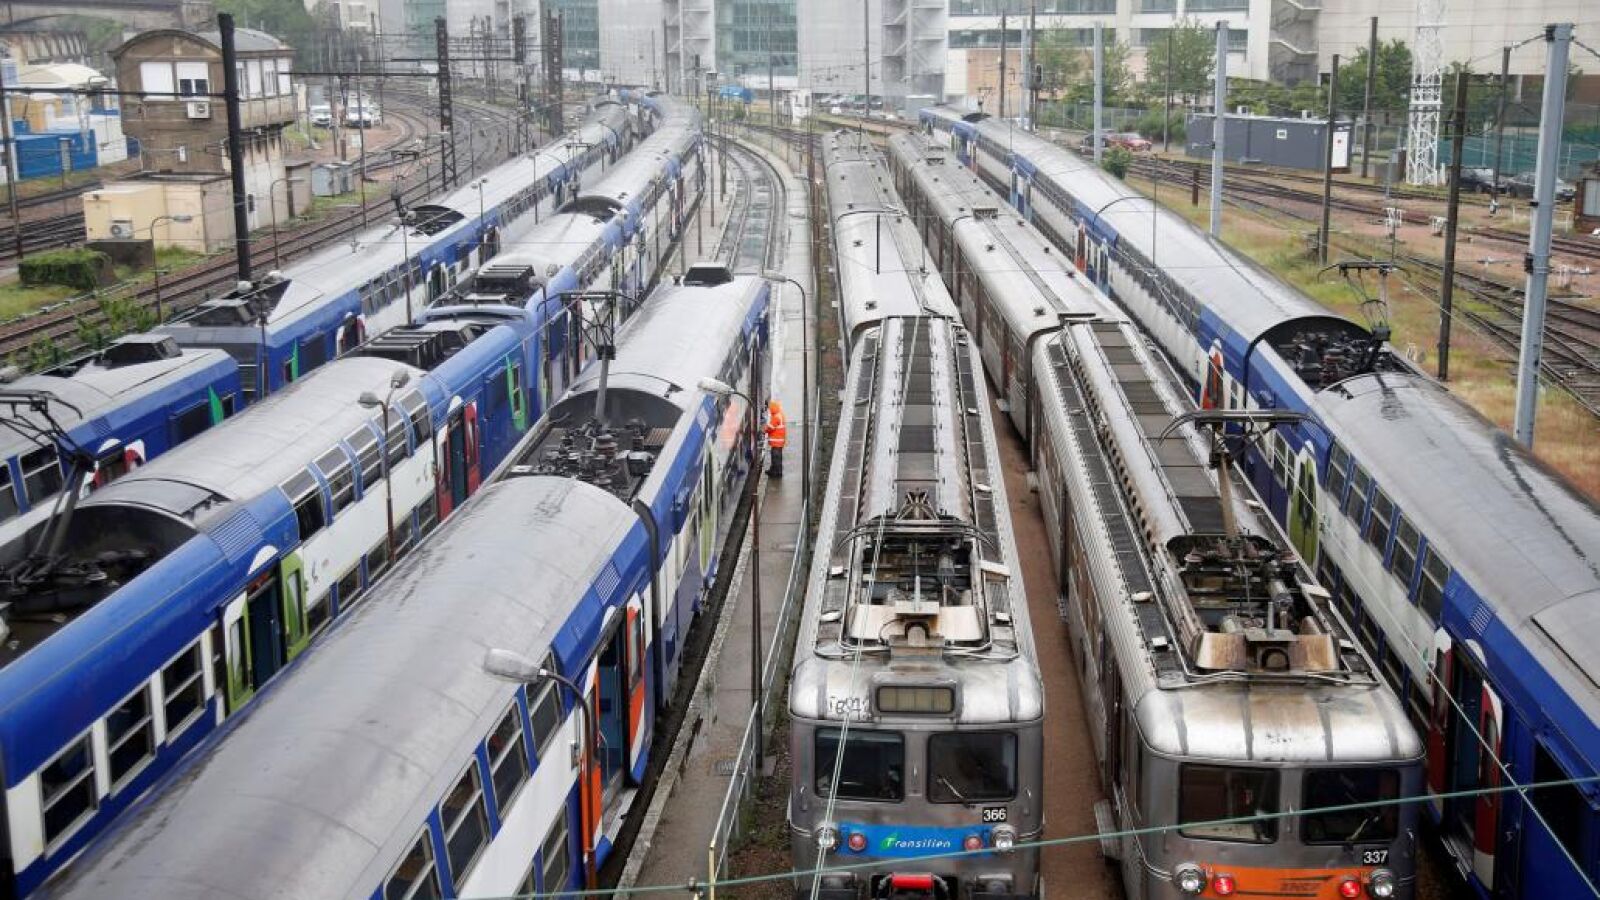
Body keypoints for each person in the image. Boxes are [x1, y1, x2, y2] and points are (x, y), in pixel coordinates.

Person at [765, 399, 786, 477]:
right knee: (778, 457)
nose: (769, 410)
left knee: (775, 458)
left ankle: (775, 472)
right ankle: (776, 471)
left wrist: (764, 430)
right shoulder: (780, 414)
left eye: (770, 409)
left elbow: (770, 428)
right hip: (779, 442)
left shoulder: (776, 417)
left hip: (776, 442)